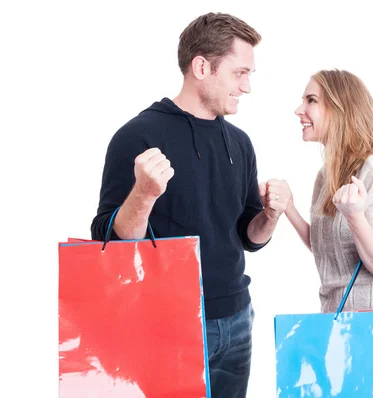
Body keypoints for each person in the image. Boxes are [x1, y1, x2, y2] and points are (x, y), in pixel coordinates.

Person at [90, 12, 290, 397]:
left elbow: (248, 236)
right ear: (201, 66)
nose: (246, 86)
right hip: (167, 324)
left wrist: (270, 216)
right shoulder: (137, 136)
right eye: (239, 73)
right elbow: (110, 243)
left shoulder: (240, 142)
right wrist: (144, 193)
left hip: (236, 319)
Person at [285, 69, 373, 313]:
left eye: (311, 100)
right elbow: (329, 249)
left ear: (340, 109)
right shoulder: (326, 175)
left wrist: (355, 217)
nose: (298, 110)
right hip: (338, 326)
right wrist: (289, 209)